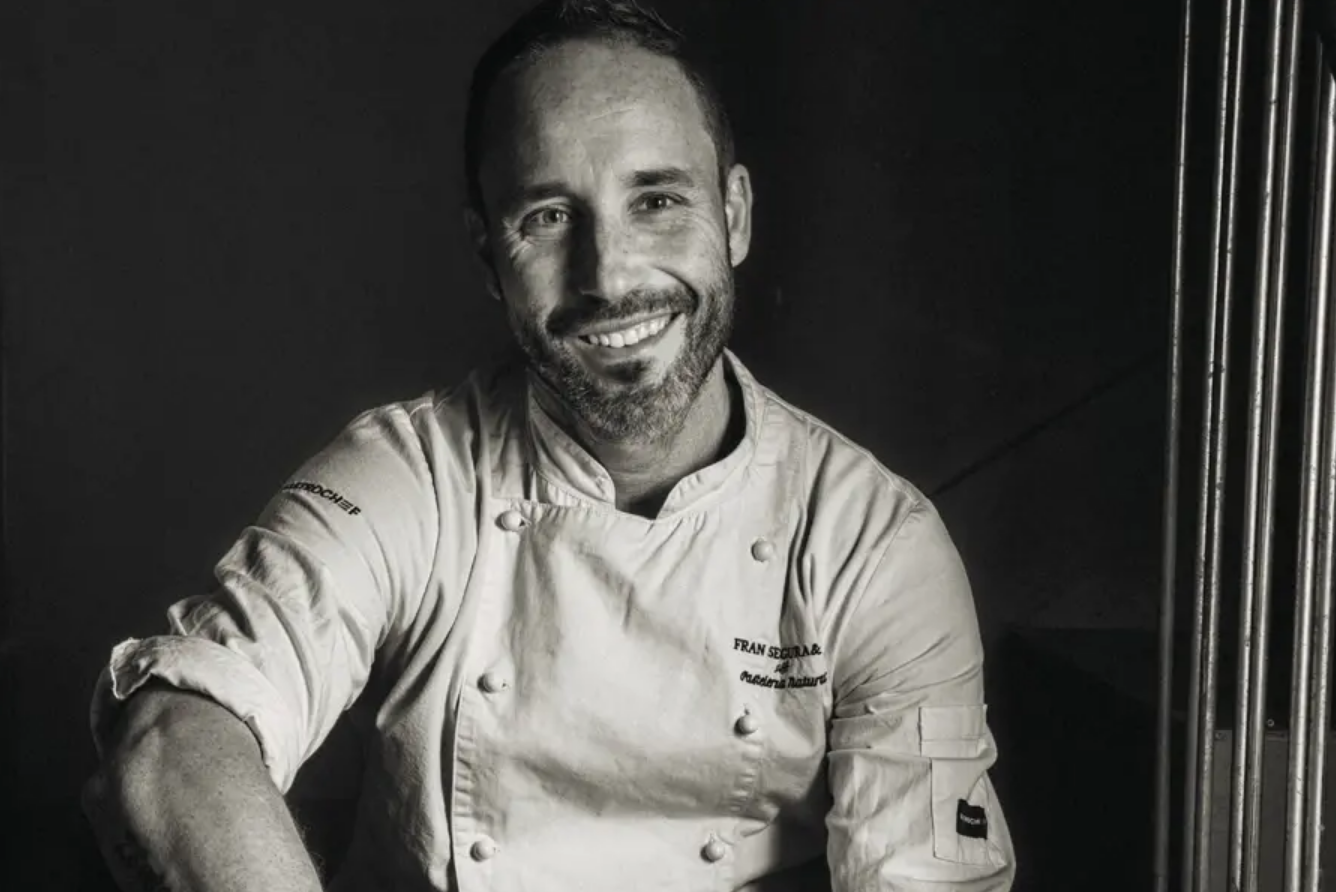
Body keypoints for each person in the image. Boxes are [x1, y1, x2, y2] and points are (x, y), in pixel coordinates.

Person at [82, 1, 1016, 890]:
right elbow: (178, 736)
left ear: (733, 215)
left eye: (656, 200)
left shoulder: (875, 546)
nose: (608, 278)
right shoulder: (414, 477)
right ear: (490, 257)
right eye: (549, 218)